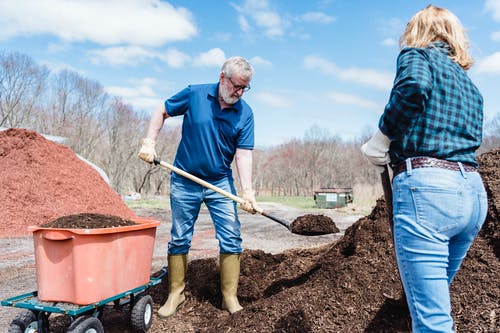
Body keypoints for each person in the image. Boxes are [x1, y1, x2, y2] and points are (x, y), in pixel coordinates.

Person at [361, 5, 487, 333]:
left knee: (433, 322)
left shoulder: (417, 56)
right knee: (432, 300)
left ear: (418, 31)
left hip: (429, 193)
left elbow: (414, 87)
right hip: (473, 194)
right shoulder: (469, 85)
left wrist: (382, 136)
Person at [138, 56, 261, 317]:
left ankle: (230, 297)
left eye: (244, 88)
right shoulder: (195, 94)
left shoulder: (245, 113)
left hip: (220, 182)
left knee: (231, 237)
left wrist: (248, 191)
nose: (238, 92)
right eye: (235, 86)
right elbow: (162, 110)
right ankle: (176, 294)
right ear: (222, 78)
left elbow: (243, 154)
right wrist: (149, 142)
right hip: (184, 179)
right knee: (180, 236)